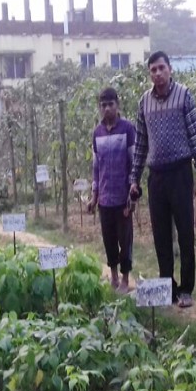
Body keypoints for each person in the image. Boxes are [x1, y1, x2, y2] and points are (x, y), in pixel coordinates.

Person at [129, 51, 196, 308]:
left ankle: (186, 289)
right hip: (157, 177)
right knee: (161, 234)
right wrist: (134, 178)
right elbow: (140, 144)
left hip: (181, 172)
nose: (158, 73)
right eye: (153, 70)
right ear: (149, 73)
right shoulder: (144, 103)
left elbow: (195, 135)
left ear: (170, 69)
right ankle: (167, 286)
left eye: (162, 68)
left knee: (185, 232)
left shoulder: (184, 96)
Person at [87, 87, 136, 293]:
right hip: (105, 200)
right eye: (103, 105)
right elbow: (96, 167)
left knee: (125, 241)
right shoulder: (96, 133)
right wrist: (93, 196)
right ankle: (113, 277)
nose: (107, 109)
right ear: (100, 108)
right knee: (109, 240)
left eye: (110, 104)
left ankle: (125, 280)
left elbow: (134, 164)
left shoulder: (128, 129)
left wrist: (133, 197)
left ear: (118, 105)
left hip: (123, 198)